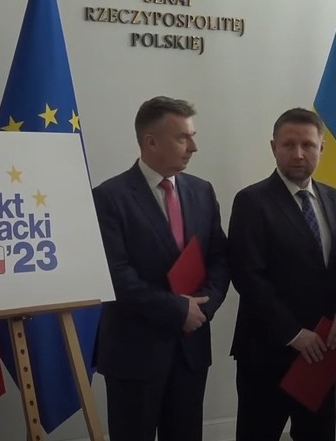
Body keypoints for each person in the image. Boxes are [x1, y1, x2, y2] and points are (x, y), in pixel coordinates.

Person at [92, 96, 230, 441]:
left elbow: (220, 257)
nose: (193, 147)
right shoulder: (109, 197)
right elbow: (116, 275)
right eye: (183, 138)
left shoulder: (202, 191)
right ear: (150, 142)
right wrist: (177, 309)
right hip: (134, 353)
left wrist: (204, 306)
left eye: (192, 136)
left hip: (190, 350)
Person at [228, 107, 336, 441]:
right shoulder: (251, 201)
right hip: (267, 351)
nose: (298, 154)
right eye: (289, 144)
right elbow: (248, 276)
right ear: (273, 147)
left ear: (322, 148)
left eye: (308, 145)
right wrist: (292, 333)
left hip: (323, 350)